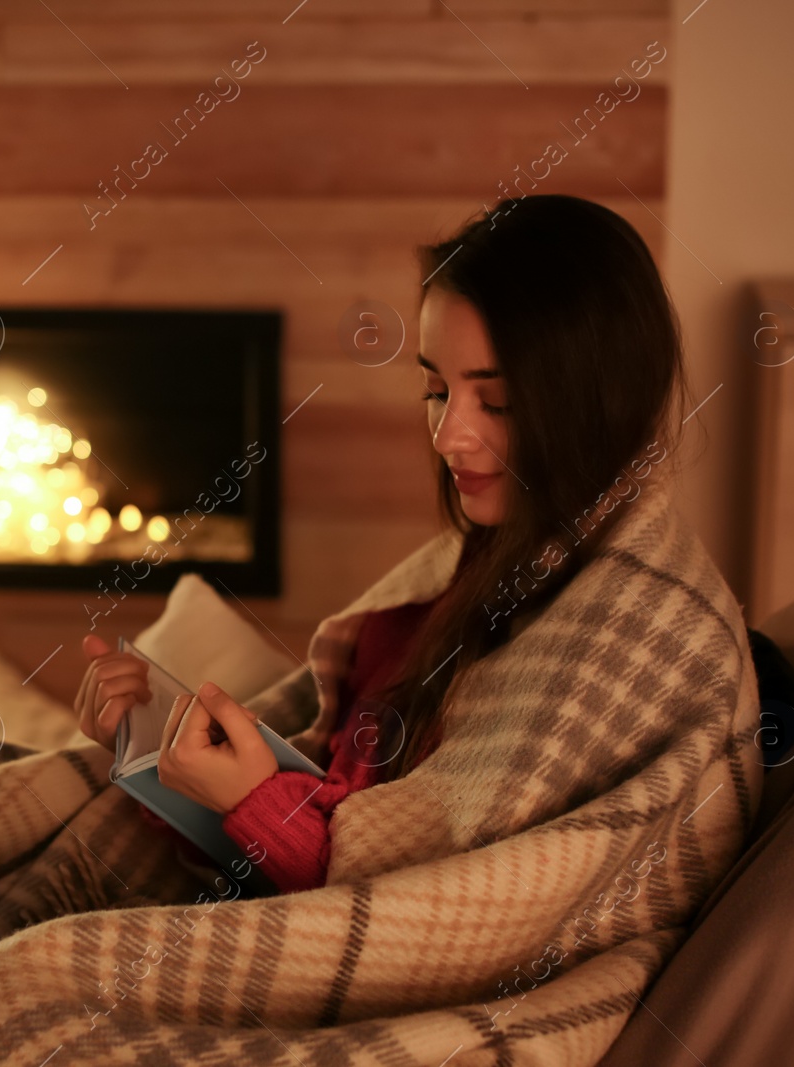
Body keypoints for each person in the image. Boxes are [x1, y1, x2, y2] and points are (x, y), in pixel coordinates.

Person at [74, 192, 696, 893]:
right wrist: (162, 755)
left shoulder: (626, 633)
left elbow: (429, 908)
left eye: (498, 403)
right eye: (435, 389)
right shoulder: (464, 570)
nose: (447, 435)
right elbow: (333, 805)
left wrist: (254, 801)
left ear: (599, 397)